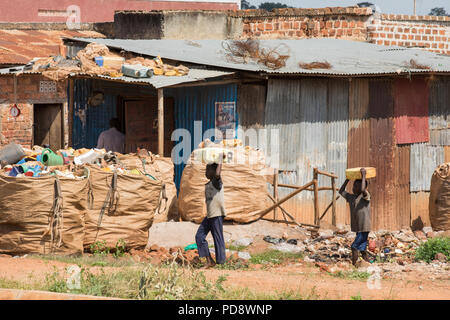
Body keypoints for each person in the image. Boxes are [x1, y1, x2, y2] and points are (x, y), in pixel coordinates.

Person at [195, 157, 226, 268]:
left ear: (214, 171)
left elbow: (218, 174)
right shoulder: (209, 183)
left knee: (218, 238)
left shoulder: (217, 181)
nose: (206, 172)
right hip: (210, 215)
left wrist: (220, 161)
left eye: (208, 170)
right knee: (199, 236)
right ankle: (209, 261)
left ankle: (221, 262)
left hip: (217, 214)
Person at [339, 168, 371, 266]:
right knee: (362, 249)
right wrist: (348, 179)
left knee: (354, 247)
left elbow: (362, 189)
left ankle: (354, 266)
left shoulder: (365, 196)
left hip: (364, 227)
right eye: (354, 186)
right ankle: (368, 263)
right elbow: (341, 191)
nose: (354, 188)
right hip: (358, 227)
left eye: (357, 186)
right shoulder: (351, 197)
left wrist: (363, 176)